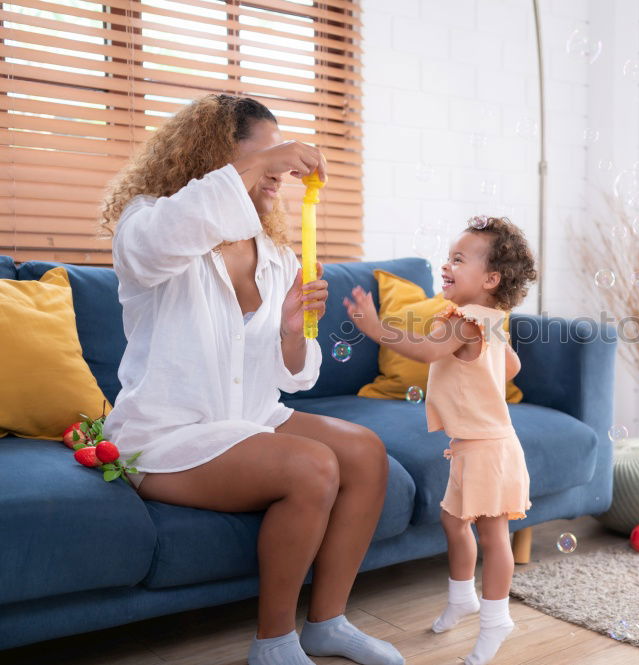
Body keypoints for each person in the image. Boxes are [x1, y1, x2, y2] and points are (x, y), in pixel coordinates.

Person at [99, 93, 403, 665]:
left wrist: (291, 331)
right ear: (215, 159)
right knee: (313, 465)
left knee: (365, 451)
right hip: (167, 432)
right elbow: (155, 244)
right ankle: (275, 643)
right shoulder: (150, 224)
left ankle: (328, 622)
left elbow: (293, 375)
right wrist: (267, 160)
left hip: (251, 417)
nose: (282, 172)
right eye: (267, 159)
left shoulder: (277, 255)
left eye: (283, 162)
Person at [344, 216, 537, 665]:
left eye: (458, 259)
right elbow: (512, 369)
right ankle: (462, 598)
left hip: (488, 448)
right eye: (448, 257)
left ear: (490, 279)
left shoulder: (467, 321)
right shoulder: (488, 319)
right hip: (474, 444)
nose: (446, 265)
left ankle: (496, 621)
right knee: (453, 521)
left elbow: (428, 351)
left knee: (493, 535)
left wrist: (375, 328)